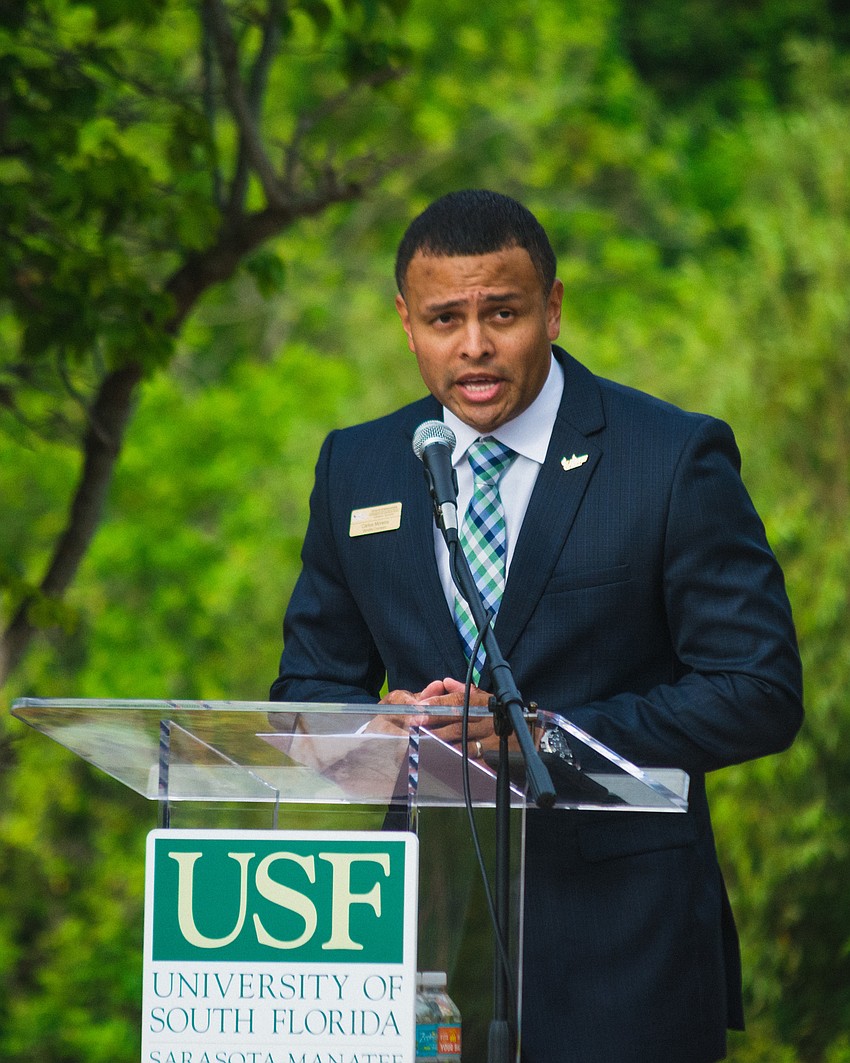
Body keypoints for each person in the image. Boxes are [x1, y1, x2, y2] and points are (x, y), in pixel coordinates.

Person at [270, 190, 803, 1062]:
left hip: (626, 959)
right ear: (407, 324)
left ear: (551, 309)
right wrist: (375, 727)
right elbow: (305, 687)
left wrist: (543, 734)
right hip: (420, 956)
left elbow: (758, 692)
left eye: (502, 313)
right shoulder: (357, 466)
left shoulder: (670, 457)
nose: (474, 345)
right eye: (445, 318)